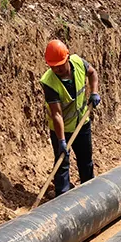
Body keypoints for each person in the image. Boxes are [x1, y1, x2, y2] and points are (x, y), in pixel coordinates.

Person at [39, 39, 101, 197]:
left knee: (86, 161)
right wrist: (61, 141)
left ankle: (90, 193)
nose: (57, 69)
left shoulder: (78, 62)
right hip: (61, 129)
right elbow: (57, 114)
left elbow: (92, 73)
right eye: (53, 66)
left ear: (67, 58)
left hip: (82, 123)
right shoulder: (49, 82)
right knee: (62, 164)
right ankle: (62, 197)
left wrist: (94, 92)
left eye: (59, 64)